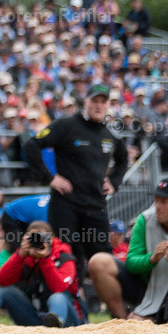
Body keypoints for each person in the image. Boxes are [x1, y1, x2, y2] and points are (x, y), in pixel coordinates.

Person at [24, 83, 128, 272]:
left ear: (108, 105)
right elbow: (31, 145)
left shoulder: (110, 133)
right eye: (94, 101)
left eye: (103, 102)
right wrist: (50, 177)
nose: (98, 106)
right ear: (85, 102)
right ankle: (67, 300)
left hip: (96, 205)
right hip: (66, 204)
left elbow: (123, 159)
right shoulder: (67, 124)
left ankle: (104, 300)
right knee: (65, 256)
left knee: (104, 259)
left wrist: (114, 182)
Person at [88, 179, 168, 322]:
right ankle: (121, 321)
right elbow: (131, 262)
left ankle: (148, 318)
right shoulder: (144, 219)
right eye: (156, 201)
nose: (157, 207)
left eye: (164, 202)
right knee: (98, 261)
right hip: (144, 285)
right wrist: (151, 259)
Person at [0, 221, 83, 329]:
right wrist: (20, 254)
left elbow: (58, 288)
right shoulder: (27, 259)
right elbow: (0, 280)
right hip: (37, 321)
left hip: (68, 322)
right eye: (32, 238)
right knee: (4, 290)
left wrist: (45, 259)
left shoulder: (65, 258)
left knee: (57, 297)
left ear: (52, 239)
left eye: (41, 237)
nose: (37, 241)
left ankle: (55, 323)